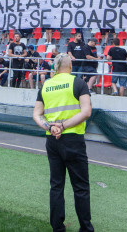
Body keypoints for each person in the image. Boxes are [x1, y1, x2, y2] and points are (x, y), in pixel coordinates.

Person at [32, 53, 93, 232]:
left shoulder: (46, 85)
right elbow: (86, 111)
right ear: (70, 66)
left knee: (56, 186)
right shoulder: (78, 83)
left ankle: (57, 228)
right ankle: (85, 228)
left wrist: (50, 127)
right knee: (80, 187)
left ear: (55, 68)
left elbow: (36, 114)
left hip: (52, 140)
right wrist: (63, 126)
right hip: (73, 140)